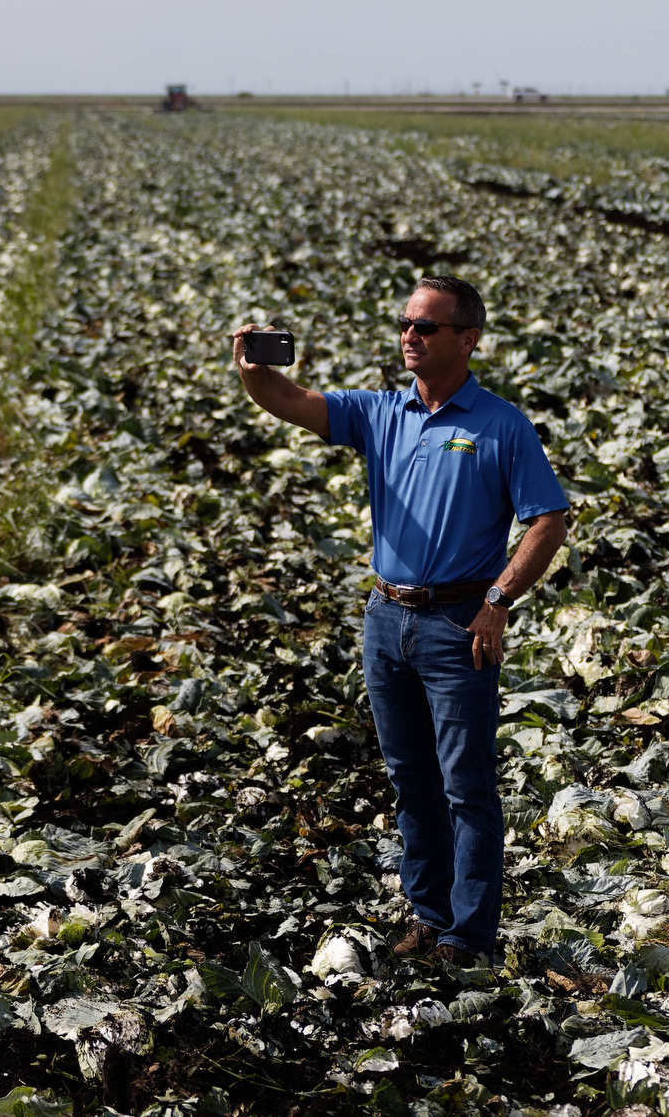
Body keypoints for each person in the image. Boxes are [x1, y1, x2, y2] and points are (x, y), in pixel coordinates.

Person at [231, 276, 569, 966]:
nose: (410, 336)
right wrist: (251, 370)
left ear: (468, 339)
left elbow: (548, 519)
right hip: (387, 617)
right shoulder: (380, 412)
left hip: (459, 624)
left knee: (466, 785)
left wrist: (497, 602)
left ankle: (468, 937)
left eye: (427, 327)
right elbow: (289, 400)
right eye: (406, 324)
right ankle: (428, 914)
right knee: (410, 779)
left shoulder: (500, 425)